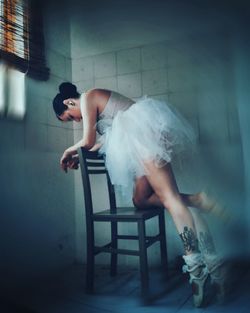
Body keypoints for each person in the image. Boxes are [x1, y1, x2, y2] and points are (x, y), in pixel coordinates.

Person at [52, 82, 229, 307]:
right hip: (138, 140)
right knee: (141, 199)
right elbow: (99, 143)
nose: (77, 121)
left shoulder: (88, 97)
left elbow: (87, 141)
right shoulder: (98, 108)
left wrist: (67, 151)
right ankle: (198, 201)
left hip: (143, 134)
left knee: (170, 199)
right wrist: (77, 157)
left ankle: (197, 271)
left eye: (70, 117)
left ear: (69, 102)